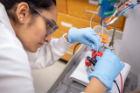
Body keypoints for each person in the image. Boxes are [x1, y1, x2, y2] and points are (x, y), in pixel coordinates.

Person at [0, 0, 139, 93]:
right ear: (23, 12)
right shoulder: (6, 50)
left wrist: (67, 38)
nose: (48, 39)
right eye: (49, 25)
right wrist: (100, 83)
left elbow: (32, 57)